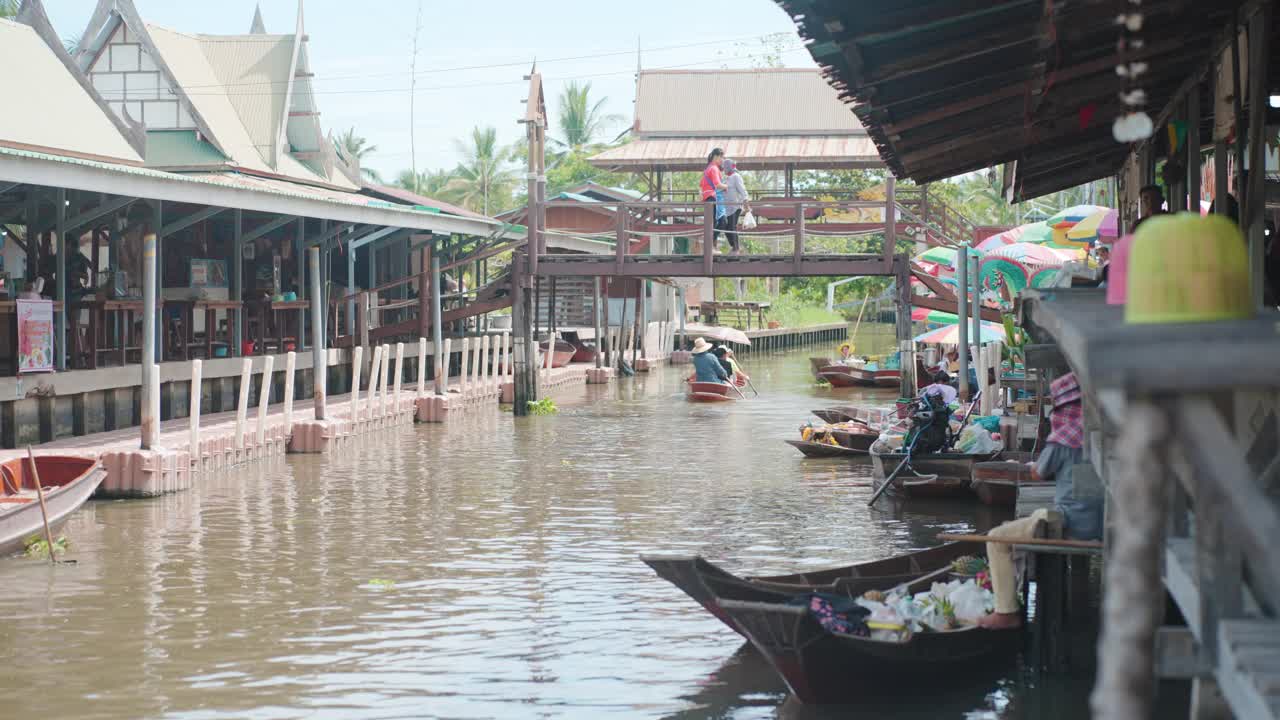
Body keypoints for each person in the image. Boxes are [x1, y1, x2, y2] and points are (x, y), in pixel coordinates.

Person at [978, 373, 1101, 629]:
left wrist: (1030, 464)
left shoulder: (1064, 439)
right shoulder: (1107, 435)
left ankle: (1006, 612)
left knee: (996, 538)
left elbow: (1038, 473)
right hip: (1106, 526)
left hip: (1072, 525)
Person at [700, 148, 728, 249]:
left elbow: (701, 185)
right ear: (716, 157)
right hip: (712, 197)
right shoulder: (714, 168)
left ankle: (710, 246)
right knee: (718, 222)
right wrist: (727, 187)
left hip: (708, 198)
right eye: (722, 157)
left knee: (713, 223)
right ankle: (709, 245)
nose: (722, 160)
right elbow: (717, 184)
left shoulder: (707, 168)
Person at [722, 158, 750, 253]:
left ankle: (736, 248)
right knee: (725, 226)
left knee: (732, 226)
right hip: (726, 208)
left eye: (725, 167)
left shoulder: (736, 176)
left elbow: (742, 190)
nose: (724, 169)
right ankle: (734, 246)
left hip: (735, 206)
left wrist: (745, 200)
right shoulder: (726, 178)